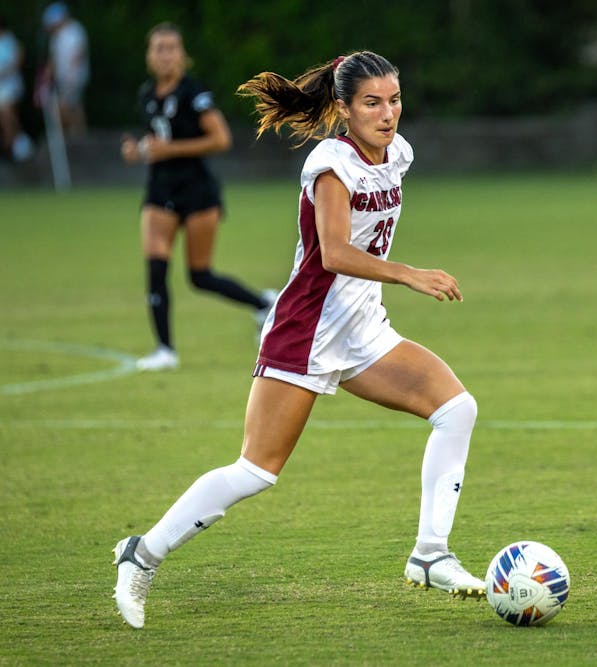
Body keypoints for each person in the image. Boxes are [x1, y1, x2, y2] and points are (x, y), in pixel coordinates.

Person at [112, 50, 484, 629]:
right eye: (372, 102)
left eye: (394, 99)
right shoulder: (331, 163)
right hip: (306, 328)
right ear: (343, 108)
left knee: (457, 409)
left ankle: (430, 555)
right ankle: (143, 552)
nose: (388, 113)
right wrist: (410, 273)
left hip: (362, 327)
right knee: (257, 470)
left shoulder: (397, 153)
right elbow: (334, 252)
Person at [121, 23, 274, 372]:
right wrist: (138, 152)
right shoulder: (147, 94)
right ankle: (165, 350)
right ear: (149, 55)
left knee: (199, 275)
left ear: (182, 55)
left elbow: (220, 139)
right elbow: (155, 141)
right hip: (160, 190)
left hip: (197, 190)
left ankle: (263, 303)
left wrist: (168, 149)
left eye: (171, 48)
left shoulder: (193, 92)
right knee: (156, 267)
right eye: (158, 48)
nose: (165, 54)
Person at [40, 2, 89, 137]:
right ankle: (75, 135)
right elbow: (54, 59)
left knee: (67, 107)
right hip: (63, 79)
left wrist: (71, 73)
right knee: (72, 107)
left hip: (74, 78)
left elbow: (79, 52)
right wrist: (48, 75)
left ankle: (78, 135)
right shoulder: (56, 37)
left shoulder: (75, 30)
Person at [0, 16, 33, 162]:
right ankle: (12, 148)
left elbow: (19, 58)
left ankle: (16, 148)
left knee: (7, 116)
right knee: (5, 119)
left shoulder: (10, 40)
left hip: (10, 87)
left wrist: (5, 72)